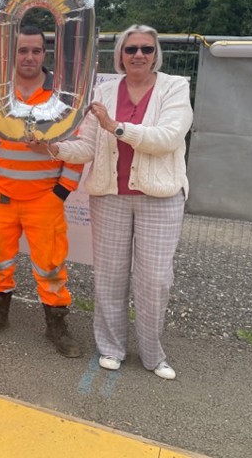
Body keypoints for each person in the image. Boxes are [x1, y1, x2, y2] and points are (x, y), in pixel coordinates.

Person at [34, 24, 193, 379]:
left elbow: (167, 138)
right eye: (131, 49)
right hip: (110, 195)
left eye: (146, 49)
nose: (139, 55)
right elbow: (89, 147)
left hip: (161, 196)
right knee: (109, 275)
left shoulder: (175, 87)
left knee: (155, 279)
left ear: (156, 55)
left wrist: (116, 127)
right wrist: (54, 148)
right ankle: (110, 347)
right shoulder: (103, 92)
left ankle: (153, 354)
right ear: (120, 55)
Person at [0, 25, 84, 358]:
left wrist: (61, 193)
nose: (29, 57)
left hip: (44, 199)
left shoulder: (62, 98)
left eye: (36, 51)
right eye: (23, 51)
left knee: (50, 266)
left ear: (45, 55)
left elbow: (75, 149)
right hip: (1, 197)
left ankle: (56, 324)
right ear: (12, 55)